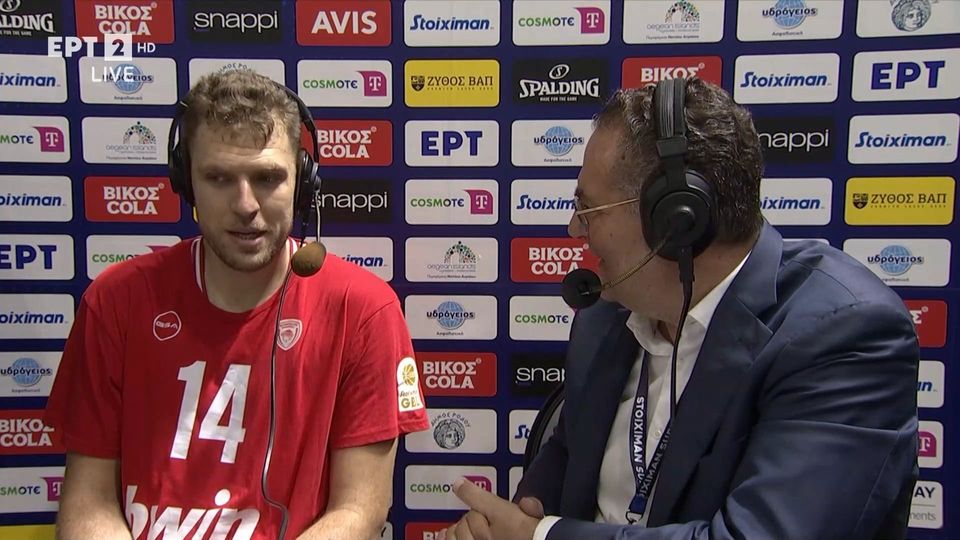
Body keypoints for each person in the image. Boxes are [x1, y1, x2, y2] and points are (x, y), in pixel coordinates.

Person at [442, 78, 919, 540]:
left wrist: (541, 536)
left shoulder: (845, 334)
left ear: (676, 217)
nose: (574, 229)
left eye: (589, 210)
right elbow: (556, 476)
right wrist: (500, 527)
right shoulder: (606, 317)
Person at [44, 69, 429, 540]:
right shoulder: (116, 300)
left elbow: (359, 510)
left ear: (302, 183)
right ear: (186, 182)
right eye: (219, 178)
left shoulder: (364, 311)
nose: (245, 205)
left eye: (267, 178)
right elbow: (89, 505)